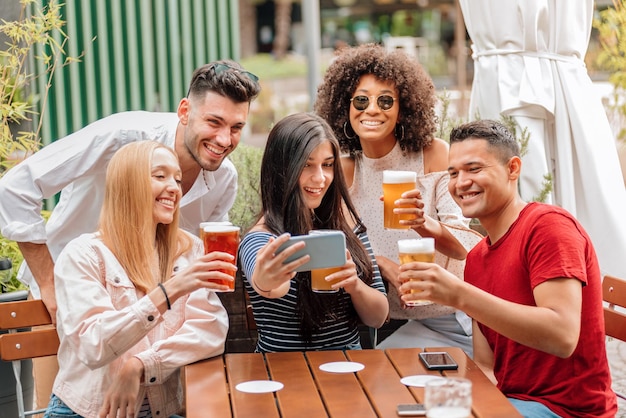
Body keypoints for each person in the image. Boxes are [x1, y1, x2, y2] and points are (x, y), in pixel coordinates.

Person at [0, 59, 259, 409]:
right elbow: (15, 189)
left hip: (157, 328)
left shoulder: (224, 178)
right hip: (77, 303)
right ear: (185, 111)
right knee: (68, 402)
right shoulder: (121, 137)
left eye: (236, 127)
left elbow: (199, 268)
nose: (224, 139)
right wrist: (49, 282)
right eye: (214, 122)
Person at [399, 119, 617, 417]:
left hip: (566, 411)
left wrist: (458, 295)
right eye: (453, 173)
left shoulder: (548, 227)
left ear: (513, 168)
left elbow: (563, 336)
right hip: (509, 402)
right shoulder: (476, 258)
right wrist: (451, 404)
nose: (461, 182)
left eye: (474, 169)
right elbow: (488, 367)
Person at [314, 43, 482, 353]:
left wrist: (422, 223)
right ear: (345, 107)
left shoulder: (433, 155)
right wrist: (380, 263)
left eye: (385, 100)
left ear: (403, 108)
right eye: (361, 100)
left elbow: (463, 249)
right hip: (380, 321)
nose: (372, 109)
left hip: (446, 318)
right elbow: (340, 247)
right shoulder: (343, 171)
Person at [43, 141, 231, 418]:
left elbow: (211, 330)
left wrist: (141, 364)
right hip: (85, 413)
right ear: (127, 184)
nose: (174, 188)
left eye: (177, 179)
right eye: (160, 176)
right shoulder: (84, 255)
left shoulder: (188, 249)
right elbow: (93, 345)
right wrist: (170, 291)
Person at [239, 112, 388, 352]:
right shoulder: (261, 238)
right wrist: (268, 277)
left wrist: (355, 286)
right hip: (283, 376)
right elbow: (268, 284)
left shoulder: (348, 226)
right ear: (281, 169)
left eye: (327, 165)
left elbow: (378, 318)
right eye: (307, 165)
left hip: (348, 371)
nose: (320, 178)